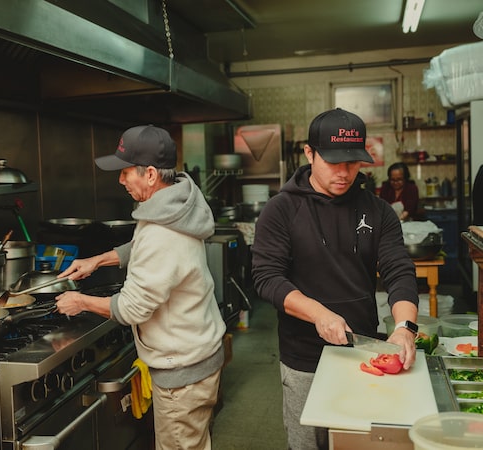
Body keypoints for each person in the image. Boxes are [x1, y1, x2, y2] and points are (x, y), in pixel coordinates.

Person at [251, 108, 419, 450]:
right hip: (304, 359)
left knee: (358, 442)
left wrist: (405, 326)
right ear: (309, 153)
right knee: (307, 444)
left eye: (352, 163)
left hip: (363, 354)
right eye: (332, 162)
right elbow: (267, 277)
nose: (344, 173)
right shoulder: (281, 210)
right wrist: (318, 313)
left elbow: (398, 268)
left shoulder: (379, 211)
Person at [54, 124, 226, 450]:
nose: (120, 180)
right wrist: (99, 260)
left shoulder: (163, 230)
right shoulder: (174, 204)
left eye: (124, 172)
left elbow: (133, 307)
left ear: (149, 174)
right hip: (197, 355)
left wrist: (81, 301)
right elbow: (142, 245)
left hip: (183, 374)